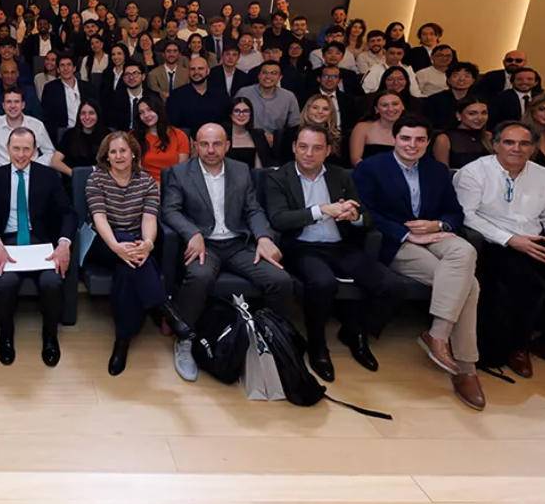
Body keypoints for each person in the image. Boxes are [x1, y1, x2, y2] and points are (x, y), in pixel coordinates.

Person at [455, 121, 545, 386]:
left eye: (524, 143)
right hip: (495, 243)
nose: (517, 148)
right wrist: (511, 240)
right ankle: (517, 347)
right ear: (496, 145)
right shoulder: (474, 172)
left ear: (533, 147)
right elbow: (467, 216)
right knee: (528, 286)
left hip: (537, 241)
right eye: (509, 142)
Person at [353, 115, 484, 410]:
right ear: (394, 139)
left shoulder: (436, 170)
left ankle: (437, 335)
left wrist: (438, 225)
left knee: (465, 252)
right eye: (406, 138)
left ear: (427, 142)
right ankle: (467, 369)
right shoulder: (371, 168)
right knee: (470, 285)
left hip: (434, 234)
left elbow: (455, 212)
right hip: (397, 241)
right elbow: (367, 212)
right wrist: (405, 234)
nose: (412, 145)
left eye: (420, 139)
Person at [263, 123, 405, 381]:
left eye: (317, 148)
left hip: (341, 246)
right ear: (294, 147)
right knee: (322, 283)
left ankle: (356, 331)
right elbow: (279, 219)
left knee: (391, 285)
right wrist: (322, 210)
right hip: (302, 247)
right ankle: (317, 345)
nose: (309, 153)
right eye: (303, 147)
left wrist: (354, 216)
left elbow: (366, 217)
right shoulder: (278, 177)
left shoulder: (341, 176)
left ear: (328, 150)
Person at [160, 123, 291, 382]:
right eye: (204, 144)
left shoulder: (241, 170)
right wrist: (192, 233)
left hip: (238, 243)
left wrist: (263, 237)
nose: (210, 150)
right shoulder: (179, 173)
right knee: (199, 277)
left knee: (280, 280)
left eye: (217, 144)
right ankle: (185, 339)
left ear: (227, 145)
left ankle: (273, 339)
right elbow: (170, 210)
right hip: (204, 244)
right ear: (195, 146)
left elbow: (253, 209)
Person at [85, 131, 194, 375]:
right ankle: (164, 309)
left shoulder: (147, 182)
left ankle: (122, 340)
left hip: (135, 243)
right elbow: (99, 218)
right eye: (113, 152)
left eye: (123, 150)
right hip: (103, 242)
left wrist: (148, 243)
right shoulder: (96, 179)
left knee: (128, 269)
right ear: (106, 156)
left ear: (133, 153)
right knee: (128, 250)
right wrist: (117, 247)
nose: (118, 156)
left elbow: (149, 219)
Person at [0, 128, 75, 367]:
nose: (21, 155)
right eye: (16, 149)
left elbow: (68, 213)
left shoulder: (49, 176)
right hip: (7, 242)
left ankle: (50, 335)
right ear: (8, 149)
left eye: (26, 149)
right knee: (5, 284)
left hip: (41, 243)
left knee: (51, 283)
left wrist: (64, 243)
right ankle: (6, 333)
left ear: (35, 151)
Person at [0, 85, 54, 169]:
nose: (13, 106)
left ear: (23, 105)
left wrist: (34, 167)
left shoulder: (37, 125)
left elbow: (49, 152)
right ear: (3, 105)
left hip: (31, 172)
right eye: (9, 102)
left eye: (17, 101)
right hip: (0, 172)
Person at [167, 56, 231, 139]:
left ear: (208, 71)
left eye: (200, 69)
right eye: (192, 69)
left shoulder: (221, 94)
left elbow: (226, 122)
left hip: (216, 140)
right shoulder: (176, 96)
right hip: (187, 141)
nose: (196, 72)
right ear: (188, 72)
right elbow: (173, 126)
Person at [234, 61, 301, 139]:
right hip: (246, 138)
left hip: (276, 141)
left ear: (280, 77)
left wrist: (276, 138)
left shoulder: (289, 97)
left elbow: (294, 126)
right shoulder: (244, 93)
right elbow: (234, 119)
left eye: (274, 73)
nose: (268, 76)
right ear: (259, 75)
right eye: (264, 73)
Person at [432, 97, 493, 170]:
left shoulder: (489, 137)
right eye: (472, 114)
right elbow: (442, 171)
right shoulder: (444, 139)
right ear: (458, 115)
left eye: (484, 113)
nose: (479, 118)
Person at [40, 54, 93, 134]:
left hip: (87, 130)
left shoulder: (88, 87)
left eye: (69, 65)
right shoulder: (50, 88)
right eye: (62, 65)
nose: (65, 68)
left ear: (74, 68)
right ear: (58, 70)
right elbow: (47, 116)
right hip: (64, 133)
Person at [348, 92, 405, 167]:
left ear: (403, 106)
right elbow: (355, 159)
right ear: (376, 109)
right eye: (385, 105)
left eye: (395, 104)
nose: (390, 109)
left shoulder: (412, 130)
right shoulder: (362, 128)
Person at [423, 61, 482, 131]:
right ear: (448, 80)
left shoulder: (479, 100)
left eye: (467, 76)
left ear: (473, 80)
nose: (461, 79)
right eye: (455, 76)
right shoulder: (433, 100)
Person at [50, 101, 103, 176]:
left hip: (100, 178)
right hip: (74, 178)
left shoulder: (107, 135)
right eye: (83, 113)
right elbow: (55, 162)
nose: (87, 117)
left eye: (91, 113)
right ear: (79, 115)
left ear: (98, 115)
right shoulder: (69, 134)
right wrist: (76, 175)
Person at [103, 62, 160, 133]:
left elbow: (160, 120)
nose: (131, 77)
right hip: (123, 135)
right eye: (127, 74)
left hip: (148, 133)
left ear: (143, 76)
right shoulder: (114, 98)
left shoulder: (154, 96)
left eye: (135, 73)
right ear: (123, 78)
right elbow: (111, 124)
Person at [225, 97, 278, 169]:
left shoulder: (258, 135)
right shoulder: (222, 134)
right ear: (230, 114)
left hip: (251, 175)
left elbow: (261, 166)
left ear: (251, 114)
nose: (241, 115)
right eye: (237, 111)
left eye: (245, 111)